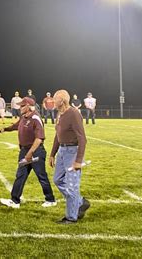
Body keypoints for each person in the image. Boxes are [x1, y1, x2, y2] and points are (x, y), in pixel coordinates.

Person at [0, 97, 56, 209]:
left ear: (28, 106)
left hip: (36, 152)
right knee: (20, 175)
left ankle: (50, 199)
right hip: (24, 151)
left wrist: (30, 153)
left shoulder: (35, 118)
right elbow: (16, 126)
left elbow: (39, 138)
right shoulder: (24, 117)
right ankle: (15, 201)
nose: (20, 108)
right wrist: (5, 129)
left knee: (41, 176)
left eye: (22, 106)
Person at [49, 90, 90, 224]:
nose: (52, 101)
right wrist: (52, 154)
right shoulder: (59, 114)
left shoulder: (73, 113)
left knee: (72, 185)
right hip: (62, 151)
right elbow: (57, 135)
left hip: (72, 151)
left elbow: (82, 138)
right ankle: (79, 202)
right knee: (57, 180)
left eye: (55, 99)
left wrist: (78, 161)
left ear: (62, 101)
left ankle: (71, 217)